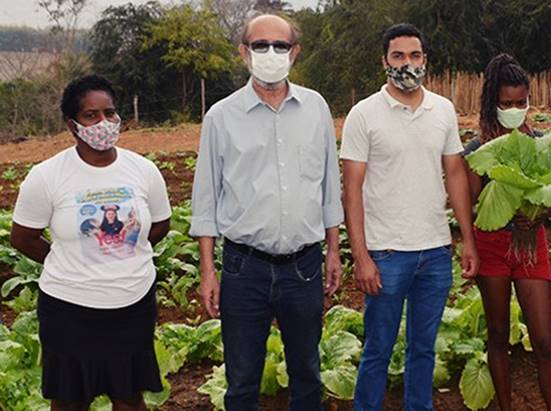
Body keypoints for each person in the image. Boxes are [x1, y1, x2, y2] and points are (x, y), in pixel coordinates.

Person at [190, 14, 343, 411]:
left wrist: (333, 250)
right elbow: (205, 199)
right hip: (245, 269)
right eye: (260, 46)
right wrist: (209, 270)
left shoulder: (316, 108)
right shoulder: (221, 117)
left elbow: (329, 185)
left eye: (280, 46)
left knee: (307, 373)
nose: (270, 54)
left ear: (295, 52)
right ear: (244, 52)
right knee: (241, 379)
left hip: (304, 267)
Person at [10, 74, 172, 411]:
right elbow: (23, 238)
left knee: (129, 396)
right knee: (71, 399)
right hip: (69, 310)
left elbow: (159, 225)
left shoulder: (142, 170)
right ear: (72, 124)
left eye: (110, 113)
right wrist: (70, 259)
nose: (104, 123)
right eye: (91, 115)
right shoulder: (47, 176)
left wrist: (119, 254)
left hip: (133, 304)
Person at [341, 23, 479, 411]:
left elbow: (454, 174)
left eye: (414, 56)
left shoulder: (443, 110)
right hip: (386, 254)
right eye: (398, 56)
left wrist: (466, 239)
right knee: (377, 350)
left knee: (423, 349)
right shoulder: (363, 114)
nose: (407, 64)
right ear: (384, 61)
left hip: (434, 251)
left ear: (425, 60)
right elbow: (351, 190)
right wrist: (361, 256)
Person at [462, 53, 551, 411]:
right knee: (499, 335)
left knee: (545, 341)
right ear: (492, 103)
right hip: (492, 245)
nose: (515, 109)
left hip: (530, 245)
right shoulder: (477, 149)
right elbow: (471, 202)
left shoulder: (539, 143)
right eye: (507, 103)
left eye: (521, 102)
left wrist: (538, 212)